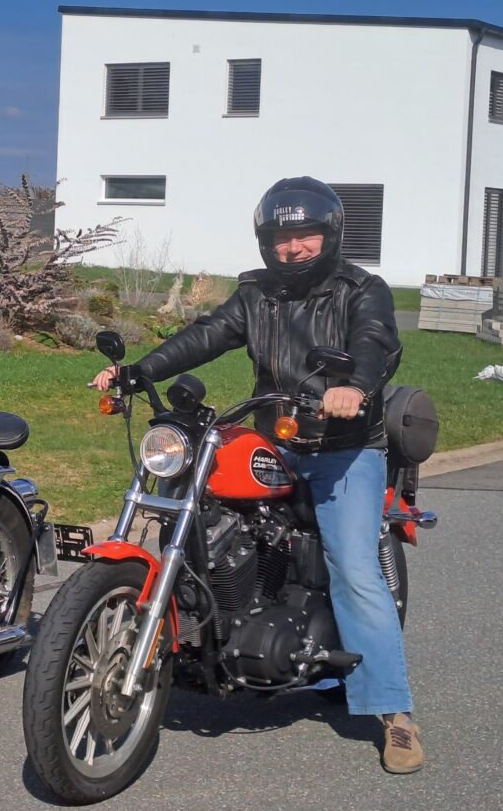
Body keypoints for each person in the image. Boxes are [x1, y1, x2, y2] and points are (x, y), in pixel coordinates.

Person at [91, 177, 423, 774]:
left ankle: (393, 713)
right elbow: (207, 335)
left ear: (330, 234)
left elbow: (375, 343)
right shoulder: (256, 295)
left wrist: (353, 388)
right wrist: (139, 369)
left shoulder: (361, 290)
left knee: (354, 568)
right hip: (273, 435)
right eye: (281, 238)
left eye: (305, 235)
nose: (292, 248)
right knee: (202, 511)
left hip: (344, 445)